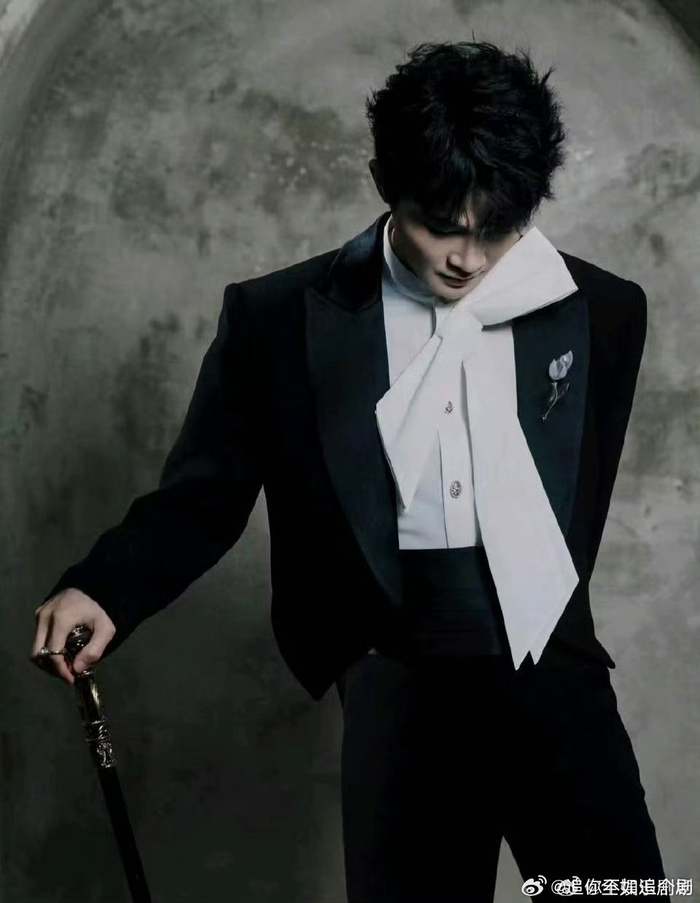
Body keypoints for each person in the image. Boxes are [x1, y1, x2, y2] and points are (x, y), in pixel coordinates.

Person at [31, 40, 669, 902]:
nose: (468, 257)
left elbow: (575, 496)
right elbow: (203, 497)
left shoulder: (605, 311)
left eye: (496, 229)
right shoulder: (276, 320)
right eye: (441, 224)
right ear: (383, 183)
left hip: (552, 665)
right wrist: (103, 588)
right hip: (394, 671)